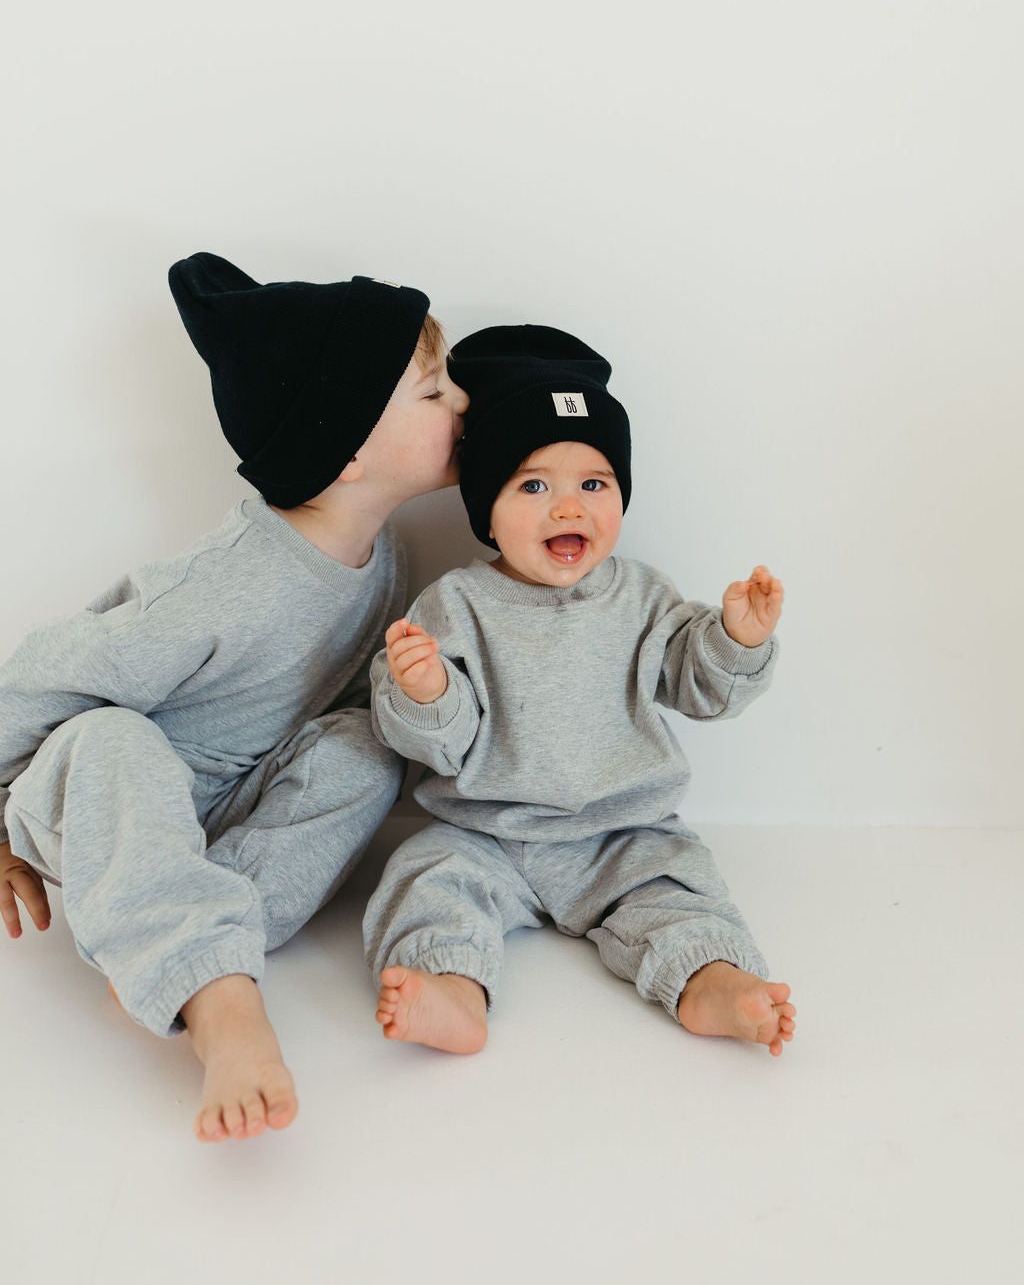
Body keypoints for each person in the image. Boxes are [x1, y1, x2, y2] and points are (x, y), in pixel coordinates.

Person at [0, 253, 469, 1140]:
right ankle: (220, 1001)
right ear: (349, 451)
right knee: (111, 739)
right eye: (435, 392)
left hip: (228, 815)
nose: (461, 405)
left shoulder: (385, 558)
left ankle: (167, 938)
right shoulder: (226, 584)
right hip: (113, 801)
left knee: (369, 745)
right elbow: (48, 672)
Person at [364, 324, 795, 1057]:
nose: (569, 509)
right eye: (534, 486)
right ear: (486, 509)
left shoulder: (643, 595)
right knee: (428, 882)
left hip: (624, 833)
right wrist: (427, 689)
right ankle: (450, 987)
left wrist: (735, 640)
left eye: (594, 485)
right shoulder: (457, 605)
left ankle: (714, 981)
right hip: (486, 832)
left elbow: (697, 685)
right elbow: (443, 741)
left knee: (678, 893)